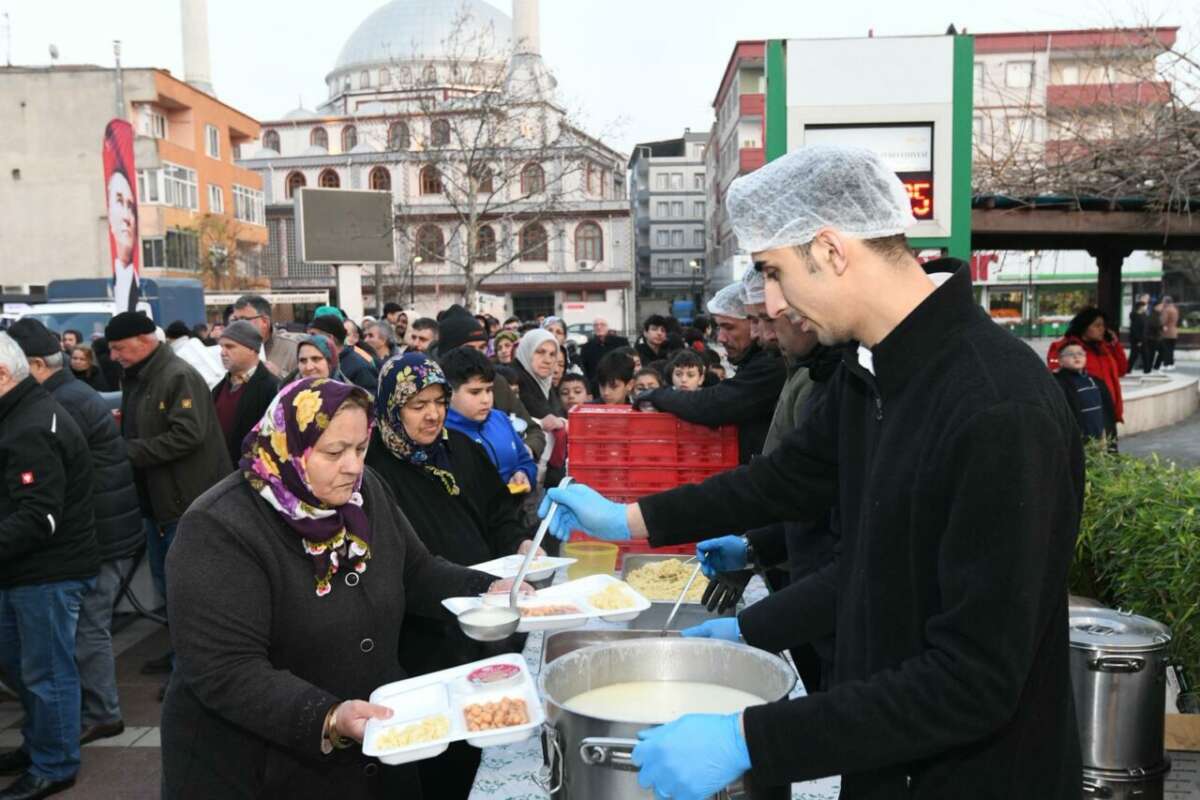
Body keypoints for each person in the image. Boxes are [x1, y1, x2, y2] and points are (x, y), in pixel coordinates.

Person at [537, 144, 1084, 799]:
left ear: (830, 249)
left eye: (773, 272)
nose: (771, 303)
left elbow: (974, 680)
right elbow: (784, 483)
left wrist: (753, 741)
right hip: (886, 756)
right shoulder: (870, 373)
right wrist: (628, 519)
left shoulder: (997, 407)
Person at [161, 378, 518, 799]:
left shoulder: (366, 493)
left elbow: (416, 571)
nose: (353, 466)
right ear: (289, 445)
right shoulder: (221, 526)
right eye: (334, 452)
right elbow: (225, 669)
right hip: (261, 769)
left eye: (361, 448)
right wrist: (327, 716)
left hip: (371, 753)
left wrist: (491, 588)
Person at [363, 355, 539, 797]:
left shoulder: (461, 448)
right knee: (436, 751)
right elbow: (404, 567)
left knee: (485, 731)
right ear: (391, 407)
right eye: (417, 404)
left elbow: (499, 512)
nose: (433, 414)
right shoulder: (372, 469)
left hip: (485, 616)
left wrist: (519, 543)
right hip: (422, 634)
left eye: (439, 402)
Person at [9, 320, 142, 748]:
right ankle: (89, 715)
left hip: (97, 534)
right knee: (82, 633)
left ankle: (99, 715)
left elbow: (52, 488)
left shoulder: (57, 404)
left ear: (33, 365)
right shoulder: (67, 396)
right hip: (101, 529)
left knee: (85, 633)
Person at [105, 311, 231, 689]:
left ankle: (190, 673)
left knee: (189, 595)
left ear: (145, 341)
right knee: (170, 591)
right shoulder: (139, 377)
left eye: (119, 348)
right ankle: (180, 657)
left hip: (183, 503)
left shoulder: (177, 376)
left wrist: (128, 451)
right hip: (158, 504)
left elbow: (188, 435)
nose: (113, 356)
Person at [0, 332, 99, 800]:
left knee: (46, 672)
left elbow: (39, 516)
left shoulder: (33, 424)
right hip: (25, 570)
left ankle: (55, 763)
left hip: (47, 572)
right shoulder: (20, 414)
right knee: (25, 668)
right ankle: (40, 745)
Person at [639, 281, 787, 463]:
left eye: (729, 327)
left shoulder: (772, 364)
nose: (721, 338)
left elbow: (716, 404)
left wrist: (659, 395)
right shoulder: (759, 361)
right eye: (718, 327)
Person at [442, 347, 537, 490]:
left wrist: (524, 473)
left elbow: (525, 461)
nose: (486, 400)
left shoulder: (500, 419)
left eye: (489, 390)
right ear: (449, 392)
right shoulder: (441, 434)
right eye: (475, 392)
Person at [211, 321, 280, 465]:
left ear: (252, 349)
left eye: (230, 346)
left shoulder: (272, 388)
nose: (223, 352)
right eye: (221, 346)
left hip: (253, 471)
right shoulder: (218, 389)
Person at [1047, 308, 1128, 422]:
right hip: (1082, 415)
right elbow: (1057, 378)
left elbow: (1122, 370)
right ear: (1084, 327)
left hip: (1107, 413)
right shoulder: (1066, 348)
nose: (1102, 329)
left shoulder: (1105, 348)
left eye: (1103, 326)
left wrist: (1115, 345)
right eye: (1097, 325)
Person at [512, 329, 568, 489]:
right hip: (519, 476)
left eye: (552, 354)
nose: (547, 360)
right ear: (527, 351)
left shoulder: (546, 386)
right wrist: (542, 423)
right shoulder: (514, 382)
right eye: (540, 352)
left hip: (539, 475)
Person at [1053, 341, 1118, 449]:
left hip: (1099, 439)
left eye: (1080, 353)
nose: (1076, 357)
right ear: (1060, 361)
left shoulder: (1096, 382)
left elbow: (1108, 413)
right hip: (1077, 441)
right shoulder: (1058, 383)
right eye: (1070, 354)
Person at [229, 295, 301, 378]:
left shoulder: (293, 349)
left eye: (244, 320)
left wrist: (279, 375)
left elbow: (306, 382)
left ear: (264, 322)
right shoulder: (227, 349)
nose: (237, 325)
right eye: (235, 320)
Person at [308, 315, 378, 394]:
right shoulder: (318, 361)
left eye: (313, 335)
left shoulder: (361, 367)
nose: (309, 339)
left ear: (330, 338)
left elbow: (369, 398)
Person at [579, 317, 630, 382]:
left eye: (602, 324)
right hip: (595, 383)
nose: (599, 327)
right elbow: (585, 370)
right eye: (596, 325)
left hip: (617, 381)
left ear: (608, 327)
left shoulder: (621, 343)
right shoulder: (586, 347)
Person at [1127, 297, 1148, 374]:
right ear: (1140, 307)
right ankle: (1128, 369)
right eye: (1144, 306)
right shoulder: (1136, 316)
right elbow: (1135, 329)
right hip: (1137, 339)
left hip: (1143, 338)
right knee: (1134, 354)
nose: (1145, 308)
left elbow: (1145, 328)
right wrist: (1139, 340)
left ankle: (1146, 370)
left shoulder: (1143, 315)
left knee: (1144, 354)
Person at [1160, 295, 1179, 371]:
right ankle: (1171, 364)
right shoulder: (1175, 309)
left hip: (1167, 332)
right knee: (1171, 349)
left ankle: (1166, 364)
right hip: (1174, 331)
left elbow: (1163, 321)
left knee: (1166, 349)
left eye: (1163, 301)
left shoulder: (1166, 310)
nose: (1162, 302)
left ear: (1166, 302)